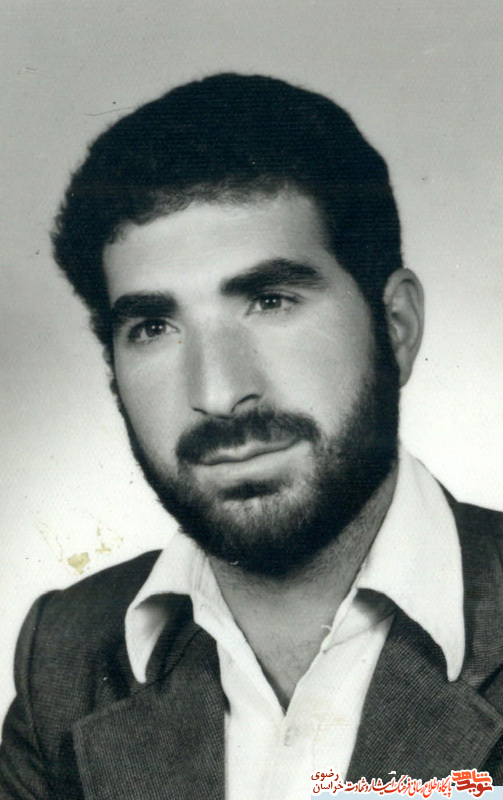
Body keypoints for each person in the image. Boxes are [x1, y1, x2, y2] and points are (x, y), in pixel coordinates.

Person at [1, 72, 502, 800]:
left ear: (395, 327)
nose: (216, 394)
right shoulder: (66, 655)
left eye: (270, 300)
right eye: (153, 327)